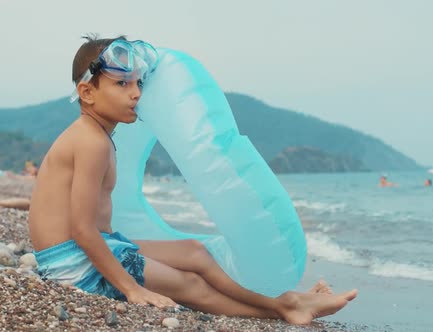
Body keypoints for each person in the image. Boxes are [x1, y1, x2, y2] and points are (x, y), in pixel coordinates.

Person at [28, 35, 357, 325]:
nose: (136, 94)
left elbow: (93, 229)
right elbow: (83, 229)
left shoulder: (98, 136)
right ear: (86, 92)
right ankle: (283, 308)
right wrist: (132, 289)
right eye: (122, 84)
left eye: (139, 84)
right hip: (72, 264)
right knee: (190, 284)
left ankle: (287, 301)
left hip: (93, 247)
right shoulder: (91, 142)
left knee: (196, 252)